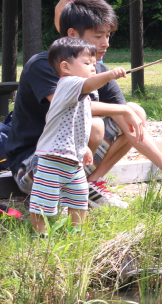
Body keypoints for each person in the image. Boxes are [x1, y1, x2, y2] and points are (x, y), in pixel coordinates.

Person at [4, 0, 162, 208]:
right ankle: (67, 194)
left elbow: (130, 125)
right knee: (95, 125)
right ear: (73, 34)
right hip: (32, 166)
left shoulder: (98, 71)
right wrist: (121, 109)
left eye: (108, 35)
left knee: (135, 112)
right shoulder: (46, 65)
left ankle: (90, 183)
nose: (106, 43)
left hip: (70, 163)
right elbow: (67, 104)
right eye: (98, 36)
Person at [29, 38, 126, 235]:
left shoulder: (79, 95)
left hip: (72, 161)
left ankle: (75, 233)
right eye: (87, 63)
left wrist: (84, 148)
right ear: (65, 67)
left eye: (94, 64)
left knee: (79, 199)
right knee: (43, 202)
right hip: (52, 159)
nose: (93, 68)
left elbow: (76, 125)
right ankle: (40, 234)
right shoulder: (68, 84)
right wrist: (110, 75)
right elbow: (90, 83)